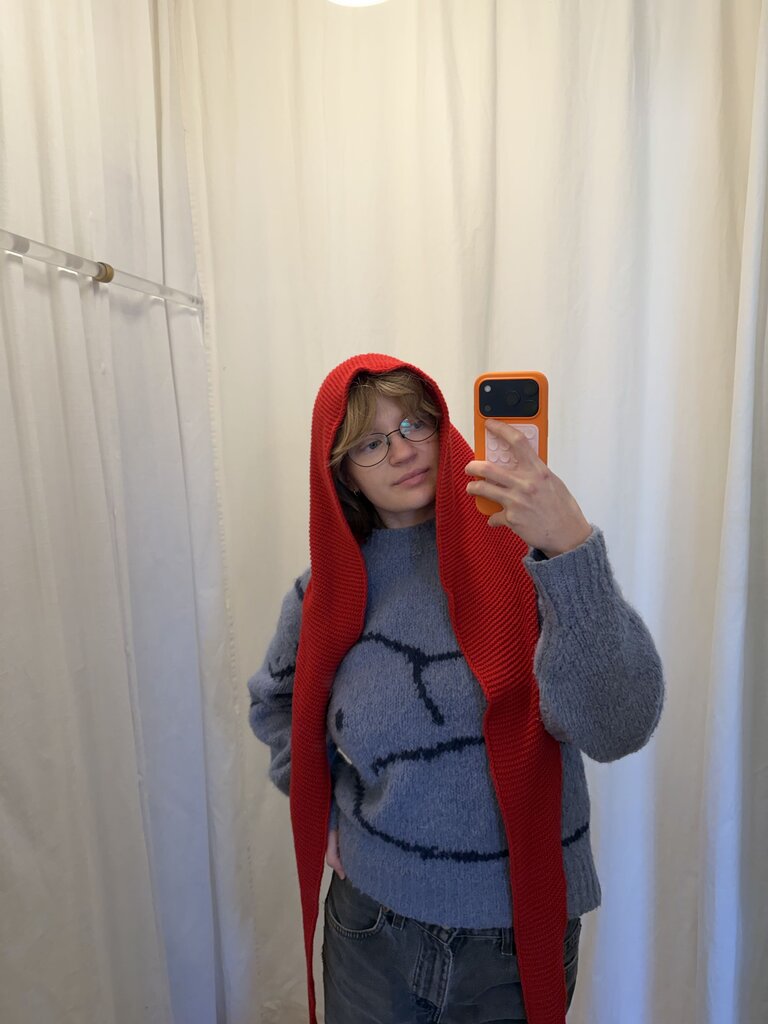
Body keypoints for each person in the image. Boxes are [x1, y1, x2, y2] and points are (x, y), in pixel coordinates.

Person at [248, 353, 665, 1024]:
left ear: (445, 427)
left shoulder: (535, 559)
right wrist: (319, 808)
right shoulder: (325, 591)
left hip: (513, 934)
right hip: (371, 928)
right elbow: (277, 704)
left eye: (414, 423)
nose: (402, 450)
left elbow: (619, 726)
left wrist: (570, 546)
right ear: (342, 474)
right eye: (370, 443)